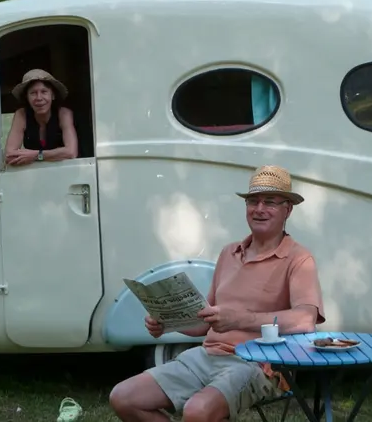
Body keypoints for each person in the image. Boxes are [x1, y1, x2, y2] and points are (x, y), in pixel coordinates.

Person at [110, 165, 326, 422]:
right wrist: (167, 322)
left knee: (197, 411)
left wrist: (239, 319)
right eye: (253, 201)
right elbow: (206, 322)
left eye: (270, 202)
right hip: (206, 355)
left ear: (287, 209)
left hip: (259, 364)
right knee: (123, 397)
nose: (259, 209)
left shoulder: (299, 259)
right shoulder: (229, 253)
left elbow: (305, 321)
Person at [4, 69, 78, 165]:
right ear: (26, 97)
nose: (39, 98)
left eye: (44, 92)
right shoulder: (22, 114)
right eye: (33, 93)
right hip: (35, 175)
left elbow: (71, 152)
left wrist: (36, 155)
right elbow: (9, 156)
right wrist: (55, 154)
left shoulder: (63, 113)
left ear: (53, 95)